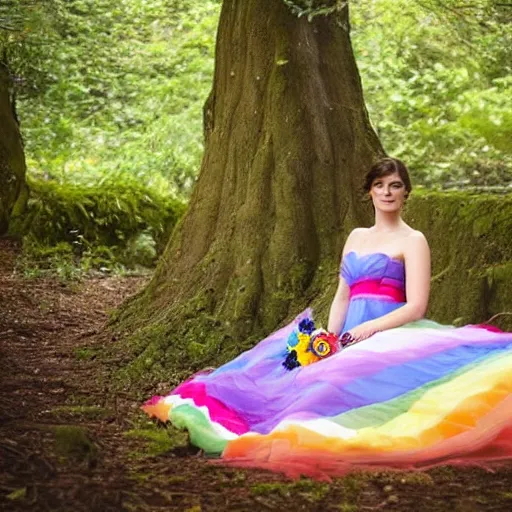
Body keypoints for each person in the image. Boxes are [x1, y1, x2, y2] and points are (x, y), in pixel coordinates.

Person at [143, 157, 512, 478]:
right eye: (379, 185)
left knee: (332, 392)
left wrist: (369, 329)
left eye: (395, 186)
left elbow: (416, 305)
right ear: (368, 191)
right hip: (348, 332)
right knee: (292, 376)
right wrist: (329, 339)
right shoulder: (355, 236)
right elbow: (341, 295)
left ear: (405, 194)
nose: (387, 192)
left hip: (391, 332)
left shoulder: (413, 240)